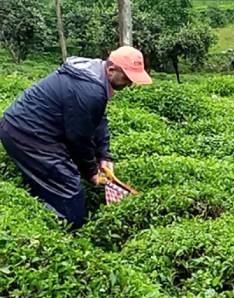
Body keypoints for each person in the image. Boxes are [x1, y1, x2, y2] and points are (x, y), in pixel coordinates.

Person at [0, 46, 152, 229]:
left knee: (58, 180)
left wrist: (104, 156)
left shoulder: (95, 76)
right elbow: (78, 138)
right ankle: (58, 232)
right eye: (127, 77)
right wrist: (92, 173)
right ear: (111, 70)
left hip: (27, 129)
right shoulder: (89, 90)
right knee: (69, 189)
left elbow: (98, 120)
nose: (130, 83)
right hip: (27, 134)